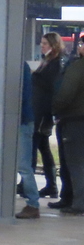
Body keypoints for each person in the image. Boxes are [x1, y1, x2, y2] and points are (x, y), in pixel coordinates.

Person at [52, 40, 84, 215]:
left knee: (75, 162)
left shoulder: (78, 67)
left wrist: (55, 109)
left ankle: (78, 203)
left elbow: (66, 94)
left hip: (75, 119)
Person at [31, 33, 64, 199]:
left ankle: (31, 183)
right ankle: (51, 185)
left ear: (53, 45)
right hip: (40, 109)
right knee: (43, 147)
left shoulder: (55, 64)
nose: (42, 46)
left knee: (35, 144)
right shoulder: (47, 62)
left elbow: (50, 86)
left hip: (43, 111)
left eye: (45, 43)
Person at [16, 61, 42, 219]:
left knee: (23, 165)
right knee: (23, 165)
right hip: (23, 119)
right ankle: (32, 203)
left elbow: (23, 95)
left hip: (22, 120)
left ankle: (33, 203)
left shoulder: (19, 67)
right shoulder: (21, 66)